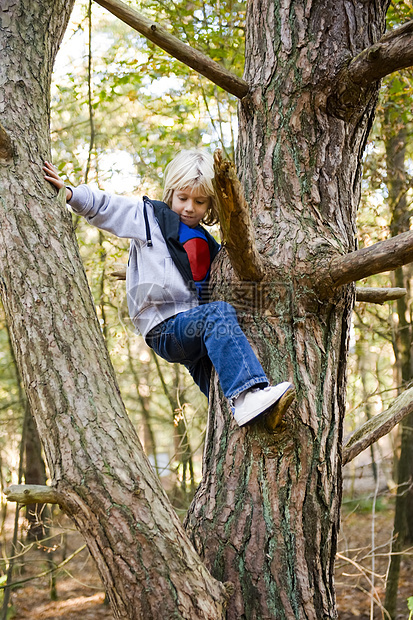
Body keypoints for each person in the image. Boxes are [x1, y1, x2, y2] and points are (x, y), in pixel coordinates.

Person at [43, 150, 295, 427]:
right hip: (165, 326)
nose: (189, 207)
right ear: (171, 193)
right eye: (183, 198)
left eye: (199, 202)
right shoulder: (150, 218)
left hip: (194, 331)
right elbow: (108, 207)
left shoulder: (211, 245)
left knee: (218, 389)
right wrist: (71, 194)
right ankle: (249, 396)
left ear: (211, 205)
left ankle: (241, 417)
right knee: (218, 315)